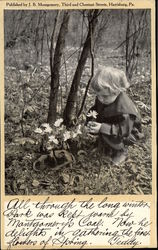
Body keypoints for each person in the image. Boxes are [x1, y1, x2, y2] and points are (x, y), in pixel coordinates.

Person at [86, 66, 142, 166]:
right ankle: (105, 145)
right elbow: (96, 110)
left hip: (128, 133)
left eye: (105, 96)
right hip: (113, 125)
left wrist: (102, 127)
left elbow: (123, 131)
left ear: (117, 91)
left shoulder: (125, 110)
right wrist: (91, 119)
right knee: (103, 130)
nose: (100, 99)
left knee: (107, 132)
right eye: (98, 95)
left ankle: (121, 150)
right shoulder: (105, 98)